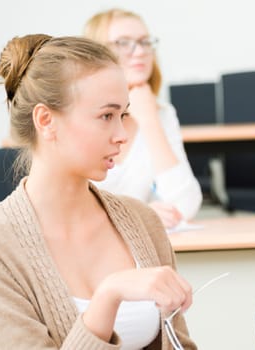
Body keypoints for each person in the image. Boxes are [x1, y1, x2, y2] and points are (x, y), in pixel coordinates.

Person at [0, 34, 196, 349]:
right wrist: (108, 297)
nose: (122, 135)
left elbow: (180, 343)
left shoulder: (143, 222)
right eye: (106, 116)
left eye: (123, 115)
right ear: (46, 120)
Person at [84, 8, 202, 229]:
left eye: (145, 42)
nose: (139, 52)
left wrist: (149, 120)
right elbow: (70, 209)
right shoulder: (79, 117)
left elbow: (186, 205)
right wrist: (139, 212)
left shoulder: (162, 114)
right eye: (123, 43)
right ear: (97, 53)